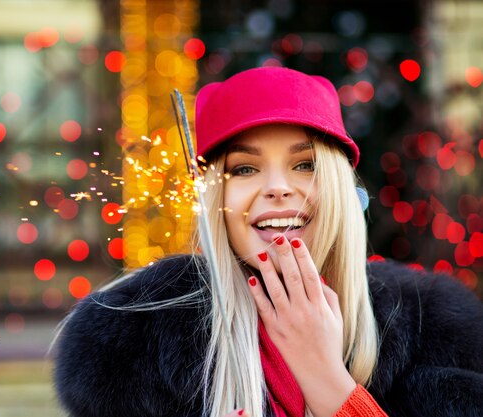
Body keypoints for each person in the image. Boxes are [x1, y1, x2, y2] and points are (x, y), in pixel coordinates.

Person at [51, 67, 483, 417]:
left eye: (304, 164)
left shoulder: (436, 333)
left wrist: (329, 383)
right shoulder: (134, 345)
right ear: (215, 195)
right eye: (244, 169)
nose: (278, 188)